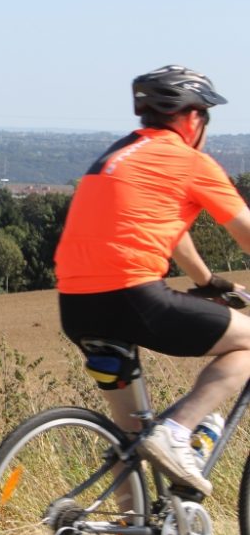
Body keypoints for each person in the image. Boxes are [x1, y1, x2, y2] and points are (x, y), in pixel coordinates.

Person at [55, 65, 250, 498]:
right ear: (193, 117)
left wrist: (207, 280)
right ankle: (179, 431)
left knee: (128, 441)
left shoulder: (115, 157)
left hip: (76, 304)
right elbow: (246, 232)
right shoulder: (189, 161)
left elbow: (166, 229)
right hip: (132, 296)